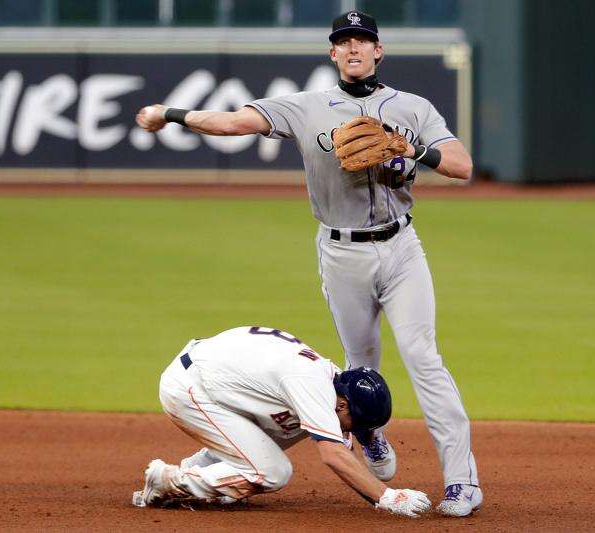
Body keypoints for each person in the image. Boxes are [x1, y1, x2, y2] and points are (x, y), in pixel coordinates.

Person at [135, 10, 481, 517]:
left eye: (363, 40)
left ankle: (462, 482)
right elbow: (233, 123)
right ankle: (368, 430)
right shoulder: (306, 107)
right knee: (359, 361)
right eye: (344, 42)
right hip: (341, 251)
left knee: (423, 356)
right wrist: (171, 114)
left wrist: (414, 151)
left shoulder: (413, 107)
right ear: (333, 53)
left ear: (379, 50)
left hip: (402, 247)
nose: (354, 48)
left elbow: (462, 167)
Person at [133, 326, 431, 518]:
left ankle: (199, 472)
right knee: (271, 473)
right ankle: (170, 481)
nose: (350, 430)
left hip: (214, 380)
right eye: (354, 423)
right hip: (188, 388)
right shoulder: (312, 385)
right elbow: (334, 455)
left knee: (293, 422)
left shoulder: (330, 385)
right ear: (343, 404)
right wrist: (389, 497)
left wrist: (380, 494)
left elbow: (344, 451)